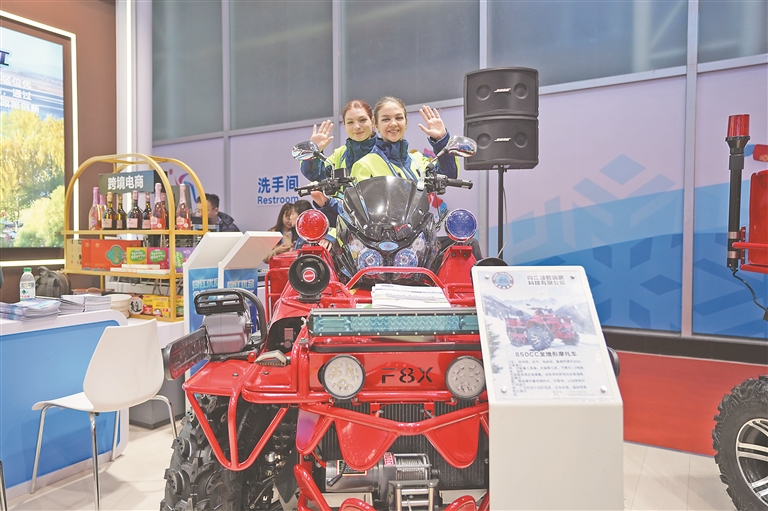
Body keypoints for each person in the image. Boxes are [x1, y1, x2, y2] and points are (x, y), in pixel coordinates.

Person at [349, 97, 458, 182]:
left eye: (399, 118)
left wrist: (441, 139)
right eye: (386, 119)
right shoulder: (364, 165)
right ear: (376, 124)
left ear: (406, 122)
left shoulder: (418, 160)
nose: (393, 123)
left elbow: (448, 176)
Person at [301, 99, 377, 183]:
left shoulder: (384, 150)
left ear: (372, 121)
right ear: (344, 125)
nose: (357, 127)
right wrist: (313, 153)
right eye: (350, 122)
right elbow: (315, 175)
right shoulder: (340, 154)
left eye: (362, 120)